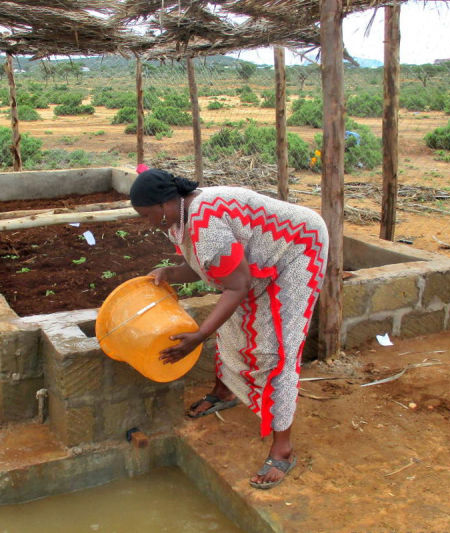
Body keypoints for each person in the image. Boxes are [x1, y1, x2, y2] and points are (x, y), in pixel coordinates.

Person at [129, 168, 329, 489]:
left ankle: (283, 448)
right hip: (257, 258)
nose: (147, 222)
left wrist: (198, 336)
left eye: (147, 214)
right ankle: (225, 393)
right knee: (232, 324)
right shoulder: (178, 220)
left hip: (297, 248)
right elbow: (204, 266)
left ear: (165, 203)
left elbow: (236, 286)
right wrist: (169, 272)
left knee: (277, 347)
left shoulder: (207, 221)